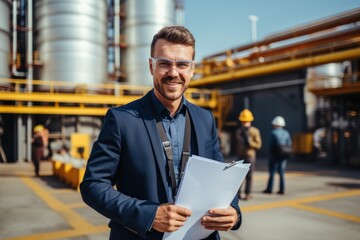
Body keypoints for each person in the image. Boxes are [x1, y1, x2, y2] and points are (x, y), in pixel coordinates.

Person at [80, 26, 241, 240]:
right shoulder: (121, 119)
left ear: (192, 69)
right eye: (164, 63)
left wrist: (233, 212)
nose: (173, 73)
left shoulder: (205, 119)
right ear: (151, 66)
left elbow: (221, 178)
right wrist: (149, 214)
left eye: (182, 64)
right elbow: (93, 185)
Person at [235, 109, 262, 200]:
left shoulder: (254, 131)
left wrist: (249, 141)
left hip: (250, 156)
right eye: (243, 121)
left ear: (250, 121)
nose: (244, 123)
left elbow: (258, 145)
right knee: (238, 176)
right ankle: (237, 194)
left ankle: (247, 193)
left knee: (249, 176)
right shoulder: (239, 131)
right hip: (240, 156)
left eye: (246, 121)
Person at [263, 116, 292, 195]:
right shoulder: (286, 133)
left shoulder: (273, 132)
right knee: (281, 172)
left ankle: (270, 189)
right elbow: (289, 144)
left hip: (274, 155)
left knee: (272, 172)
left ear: (275, 124)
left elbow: (270, 145)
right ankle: (282, 190)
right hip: (284, 155)